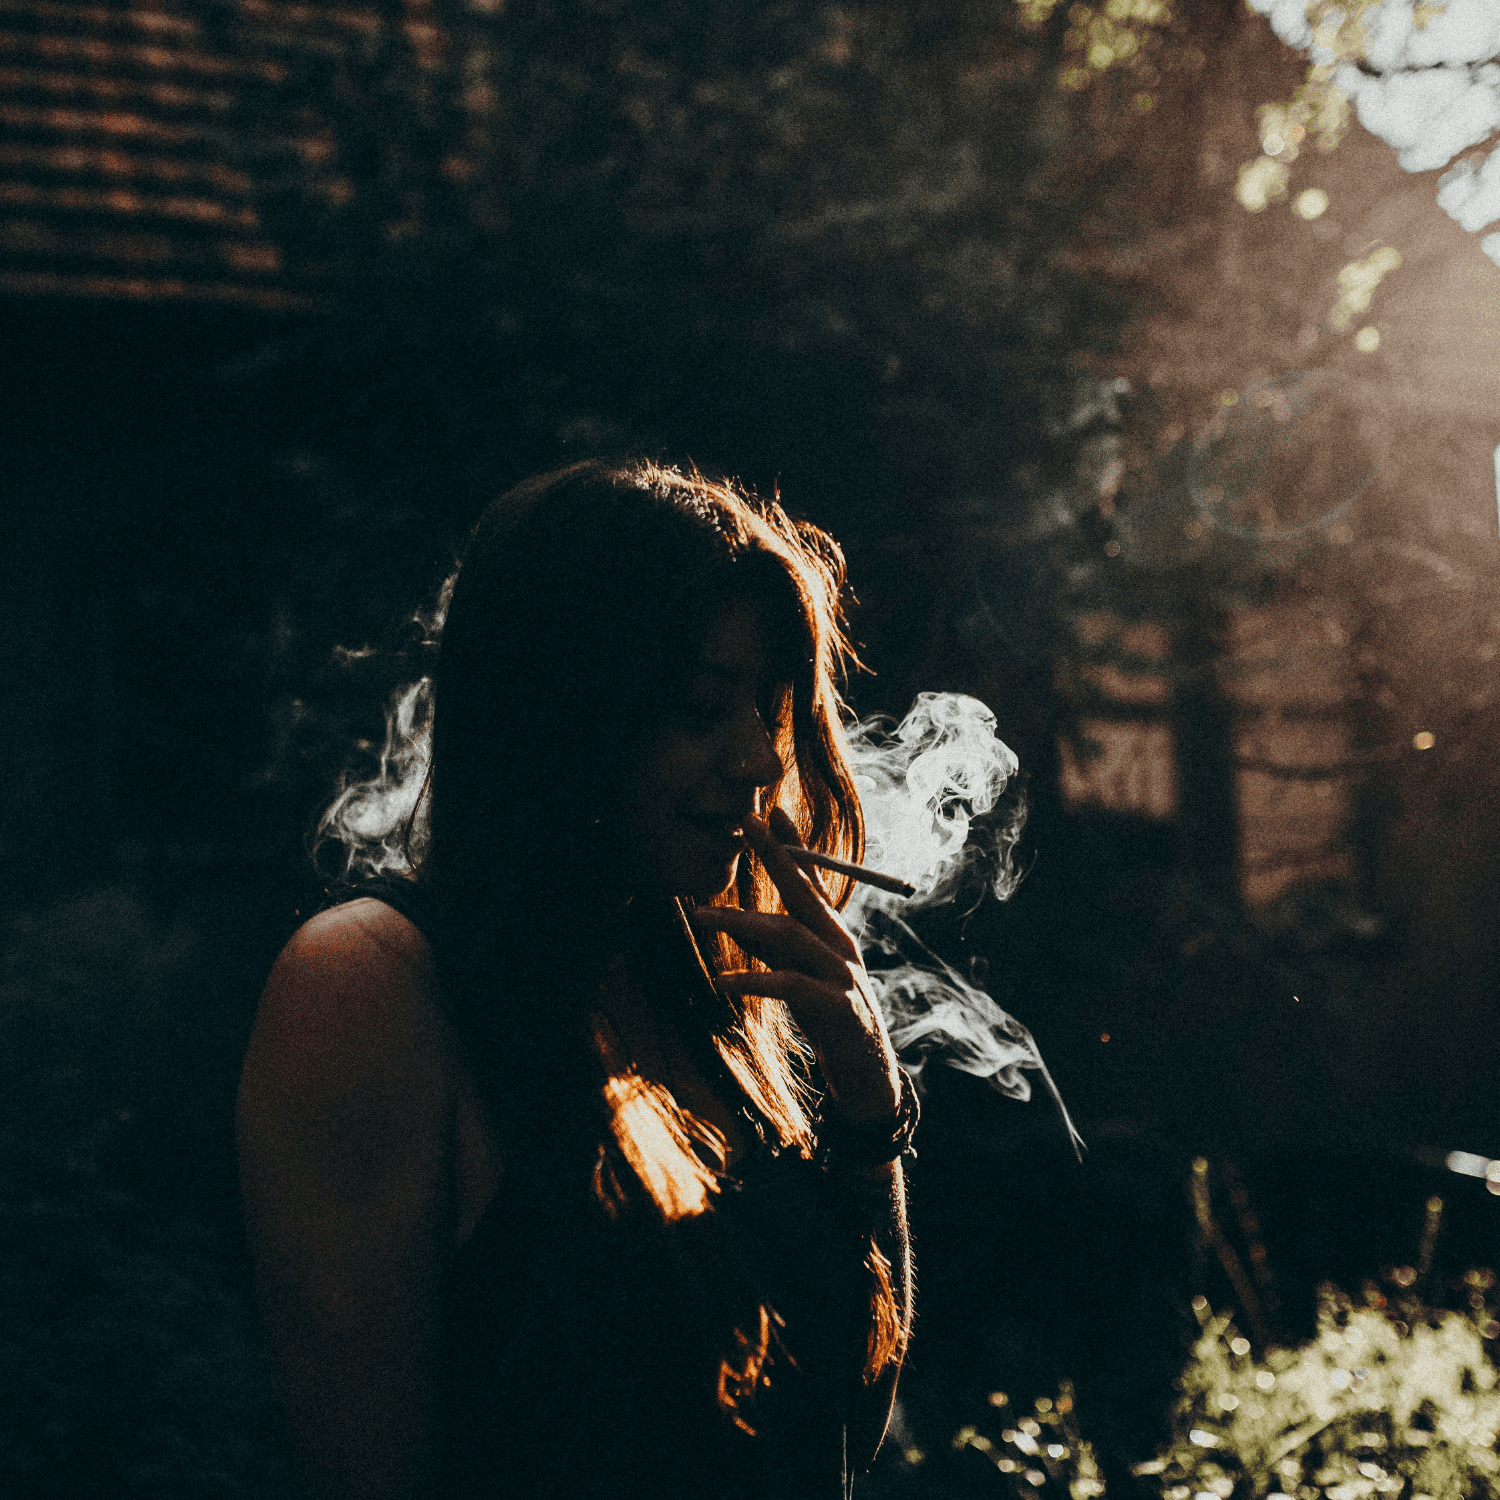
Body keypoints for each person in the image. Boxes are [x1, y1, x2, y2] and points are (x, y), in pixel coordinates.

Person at [236, 458, 916, 1500]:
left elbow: (848, 1420)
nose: (760, 762)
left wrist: (871, 1116)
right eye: (700, 708)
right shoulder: (370, 985)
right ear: (561, 716)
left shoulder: (692, 987)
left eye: (770, 708)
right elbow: (366, 1471)